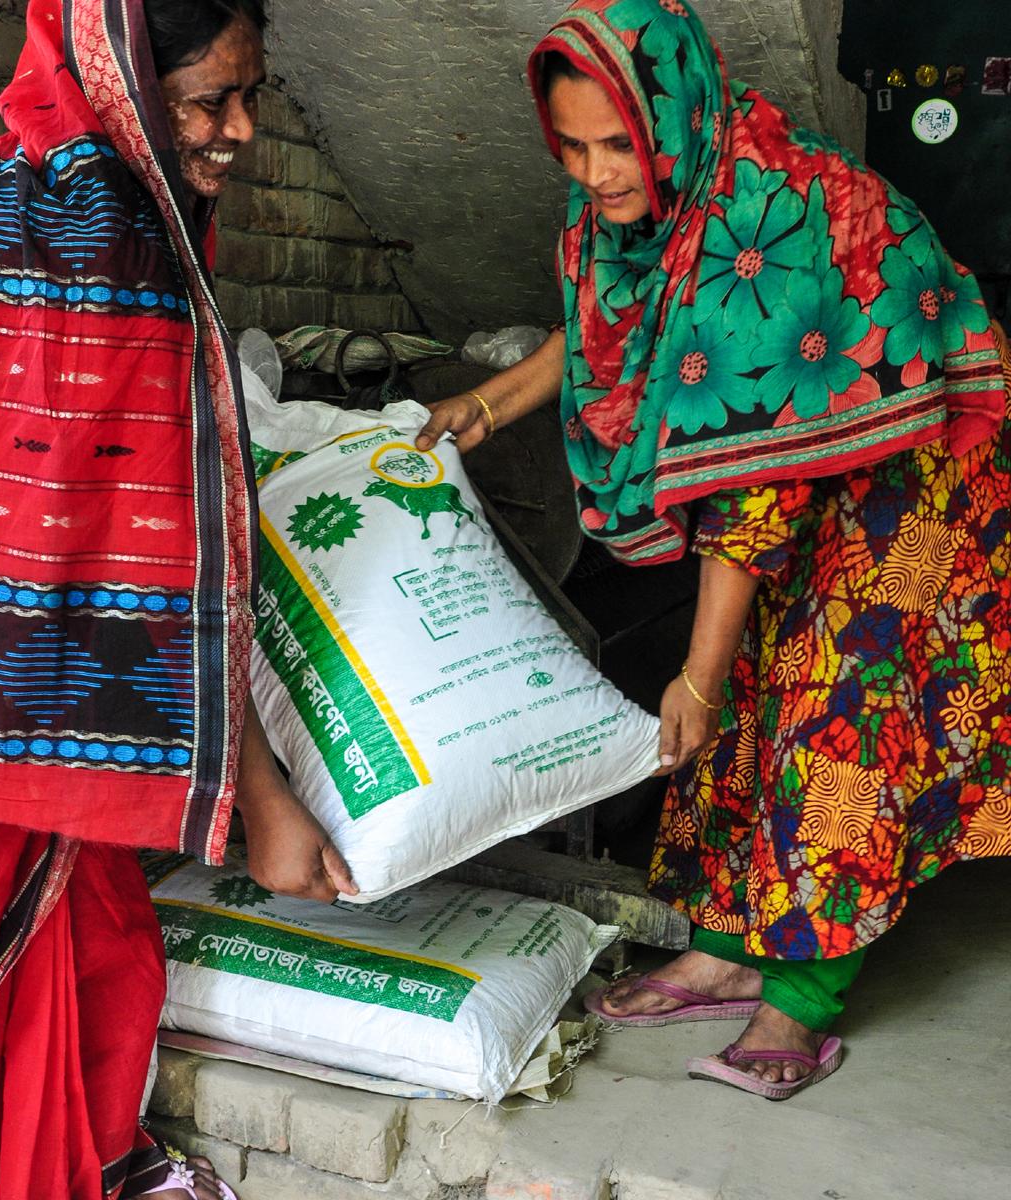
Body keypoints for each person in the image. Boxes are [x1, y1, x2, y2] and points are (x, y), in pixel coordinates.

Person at [417, 0, 1011, 1100]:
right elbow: (602, 326)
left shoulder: (767, 218)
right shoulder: (642, 213)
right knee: (740, 691)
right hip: (803, 461)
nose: (597, 173)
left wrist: (695, 670)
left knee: (841, 703)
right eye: (575, 146)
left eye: (618, 145)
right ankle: (729, 944)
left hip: (923, 464)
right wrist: (486, 408)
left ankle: (805, 996)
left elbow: (751, 490)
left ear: (672, 119)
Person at [0, 0, 354, 1195]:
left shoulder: (35, 190)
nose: (241, 129)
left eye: (250, 95)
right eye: (209, 99)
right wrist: (265, 807)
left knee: (82, 954)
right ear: (119, 83)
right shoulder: (87, 240)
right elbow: (147, 570)